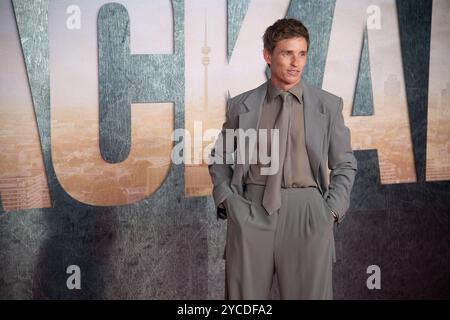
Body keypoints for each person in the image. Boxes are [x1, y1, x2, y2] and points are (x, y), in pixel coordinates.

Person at [208, 18, 357, 300]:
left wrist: (331, 212)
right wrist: (229, 202)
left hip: (308, 214)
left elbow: (345, 163)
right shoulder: (241, 105)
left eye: (302, 54)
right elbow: (219, 158)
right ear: (268, 55)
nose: (295, 63)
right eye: (287, 53)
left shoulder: (328, 105)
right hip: (252, 210)